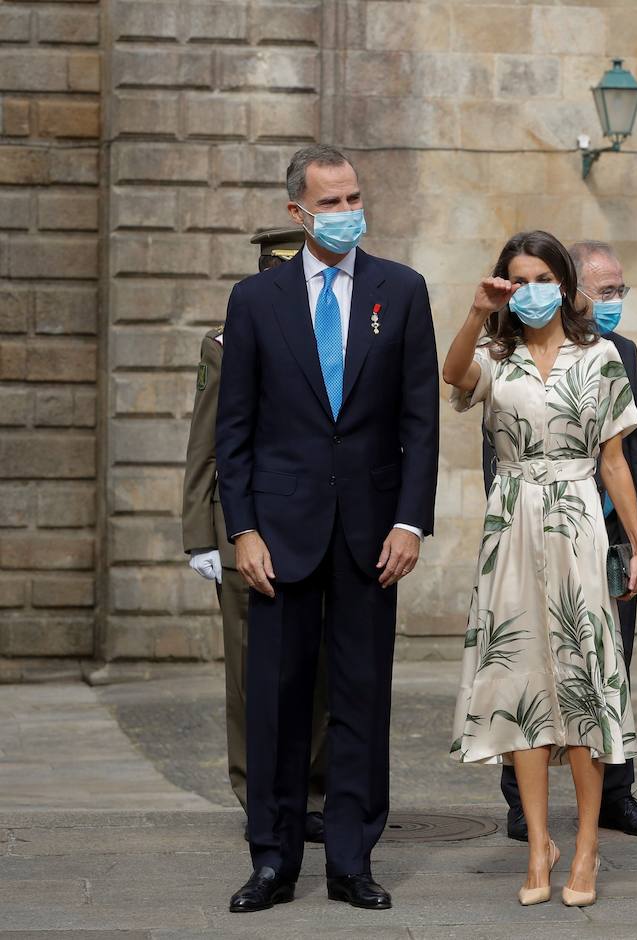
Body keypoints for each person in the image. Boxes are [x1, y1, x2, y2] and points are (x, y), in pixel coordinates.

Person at [217, 145, 440, 913]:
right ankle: (272, 859)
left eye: (354, 198)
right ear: (298, 214)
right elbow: (234, 430)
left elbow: (421, 419)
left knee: (361, 698)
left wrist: (412, 520)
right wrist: (240, 529)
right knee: (275, 703)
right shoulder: (255, 300)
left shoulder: (402, 291)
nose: (348, 213)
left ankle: (351, 859)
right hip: (279, 536)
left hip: (373, 536)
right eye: (332, 202)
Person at [444, 230, 637, 909]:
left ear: (564, 282)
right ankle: (538, 844)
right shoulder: (493, 354)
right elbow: (453, 378)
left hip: (579, 524)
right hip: (511, 525)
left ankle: (586, 844)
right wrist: (477, 310)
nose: (528, 290)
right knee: (521, 682)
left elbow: (615, 459)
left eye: (540, 277)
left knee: (580, 679)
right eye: (516, 278)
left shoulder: (604, 356)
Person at [485, 240, 637, 842]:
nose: (613, 302)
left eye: (620, 290)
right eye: (604, 291)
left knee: (605, 664)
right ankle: (522, 801)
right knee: (528, 662)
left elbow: (634, 454)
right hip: (534, 524)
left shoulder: (619, 353)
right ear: (572, 289)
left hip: (607, 532)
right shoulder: (506, 354)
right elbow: (498, 444)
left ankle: (617, 794)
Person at [181, 228, 328, 842]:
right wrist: (201, 536)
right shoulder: (224, 344)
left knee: (316, 669)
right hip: (242, 530)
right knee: (250, 675)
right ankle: (256, 793)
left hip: (315, 528)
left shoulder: (335, 343)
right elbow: (209, 444)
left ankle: (312, 796)